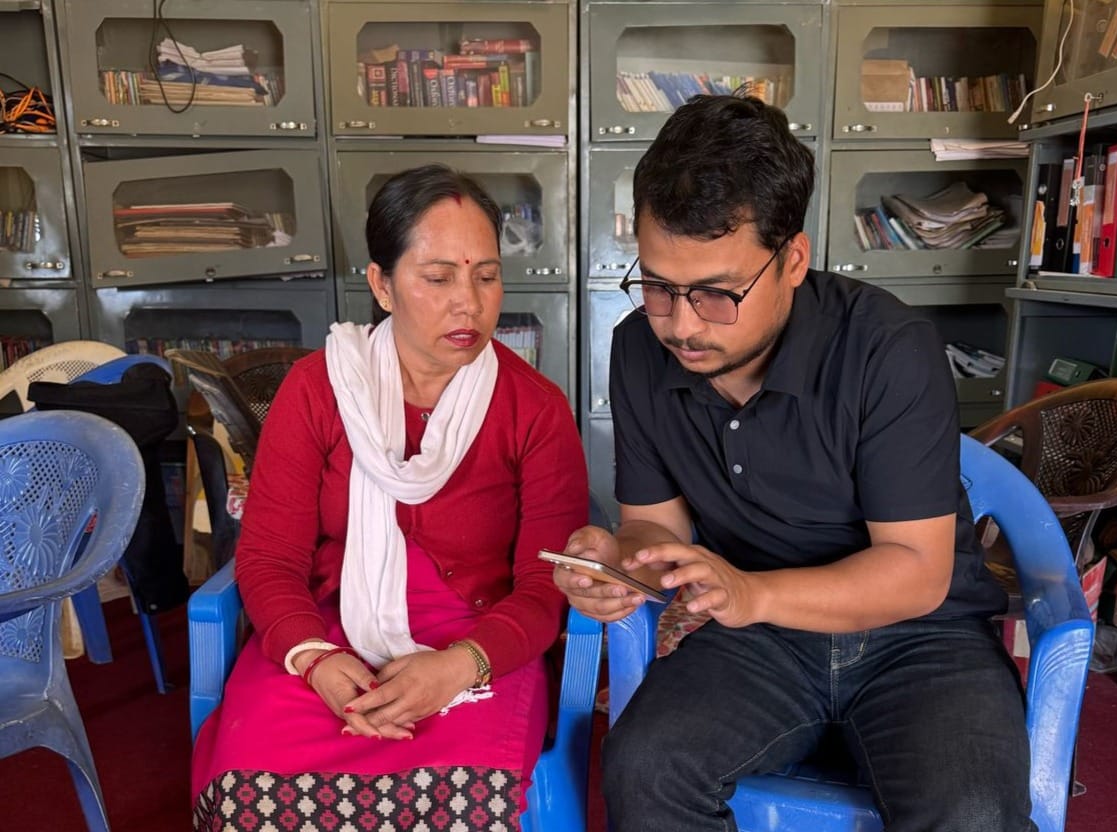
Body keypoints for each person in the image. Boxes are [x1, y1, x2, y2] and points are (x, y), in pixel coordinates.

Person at [554, 94, 1034, 832]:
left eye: (717, 293)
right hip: (756, 642)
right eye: (656, 285)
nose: (680, 324)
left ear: (793, 261)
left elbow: (914, 568)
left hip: (920, 636)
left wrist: (751, 593)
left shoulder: (885, 349)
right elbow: (654, 531)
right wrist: (616, 566)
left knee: (969, 811)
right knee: (644, 768)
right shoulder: (636, 351)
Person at [192, 165, 588, 830]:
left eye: (486, 275)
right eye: (437, 278)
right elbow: (269, 559)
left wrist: (460, 666)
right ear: (381, 285)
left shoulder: (535, 409)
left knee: (456, 802)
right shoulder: (318, 390)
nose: (468, 301)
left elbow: (545, 584)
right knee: (251, 796)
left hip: (476, 641)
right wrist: (314, 659)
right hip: (327, 630)